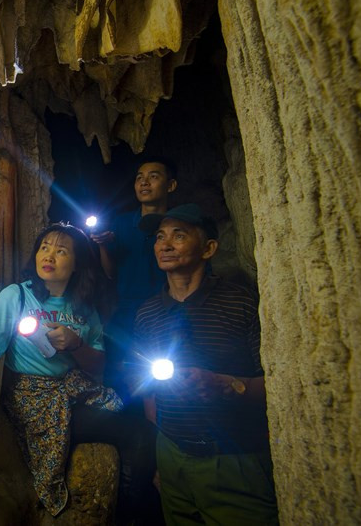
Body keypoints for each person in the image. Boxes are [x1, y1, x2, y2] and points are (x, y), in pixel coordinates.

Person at [0, 223, 158, 522]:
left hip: (76, 392)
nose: (49, 255)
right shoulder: (17, 297)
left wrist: (75, 344)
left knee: (135, 421)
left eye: (61, 251)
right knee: (137, 433)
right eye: (44, 247)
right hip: (33, 398)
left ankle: (130, 504)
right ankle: (133, 515)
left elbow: (98, 365)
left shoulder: (85, 308)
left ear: (76, 264)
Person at [133, 204, 278, 525]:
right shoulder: (147, 313)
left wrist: (228, 386)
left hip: (233, 460)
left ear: (209, 248)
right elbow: (148, 390)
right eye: (159, 237)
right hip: (172, 455)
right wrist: (161, 456)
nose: (165, 245)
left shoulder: (240, 303)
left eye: (179, 236)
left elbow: (280, 384)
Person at [91, 158, 178, 410]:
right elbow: (110, 273)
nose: (144, 182)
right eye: (139, 177)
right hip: (126, 309)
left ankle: (161, 425)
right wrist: (104, 247)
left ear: (171, 185)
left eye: (153, 176)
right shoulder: (122, 223)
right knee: (122, 373)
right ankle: (128, 427)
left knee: (164, 373)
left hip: (166, 310)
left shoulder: (178, 225)